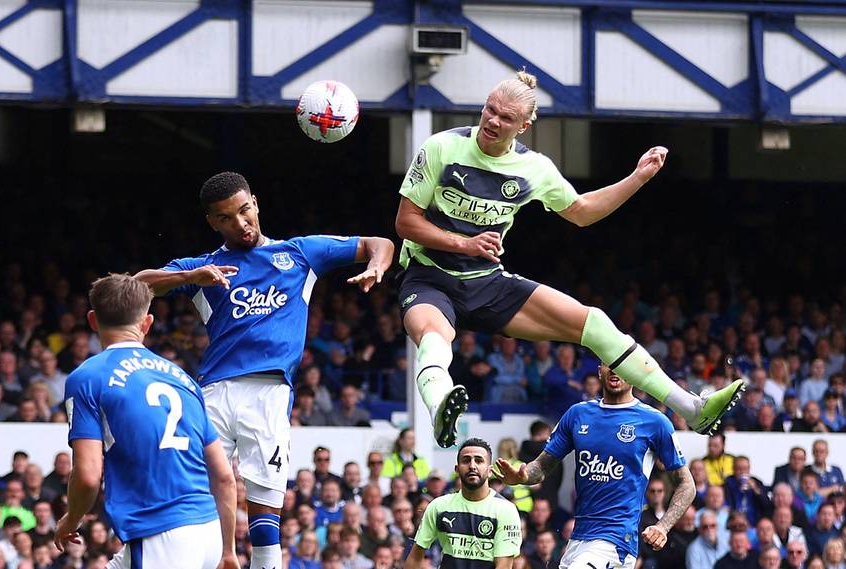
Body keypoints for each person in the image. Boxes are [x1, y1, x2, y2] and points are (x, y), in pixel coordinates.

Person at [394, 70, 744, 447]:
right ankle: (440, 411)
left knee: (594, 323)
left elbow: (581, 210)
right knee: (434, 337)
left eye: (506, 117)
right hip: (428, 275)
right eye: (489, 110)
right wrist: (465, 244)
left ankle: (692, 409)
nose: (493, 121)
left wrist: (638, 177)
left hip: (486, 282)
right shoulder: (441, 148)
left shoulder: (534, 168)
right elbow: (406, 222)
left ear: (524, 126)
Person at [135, 172, 394, 569]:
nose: (240, 224)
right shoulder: (204, 267)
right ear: (212, 223)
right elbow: (136, 285)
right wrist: (190, 277)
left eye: (244, 211)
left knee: (265, 510)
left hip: (270, 395)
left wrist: (376, 265)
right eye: (226, 218)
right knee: (192, 501)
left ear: (255, 203)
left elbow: (380, 243)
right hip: (214, 396)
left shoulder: (300, 254)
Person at [52, 274, 240, 569]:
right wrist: (228, 551)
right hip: (209, 533)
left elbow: (88, 476)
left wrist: (70, 519)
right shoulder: (184, 380)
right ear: (147, 323)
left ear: (92, 320)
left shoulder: (87, 378)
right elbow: (225, 476)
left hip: (160, 535)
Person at [496, 363, 696, 569]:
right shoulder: (577, 414)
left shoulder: (655, 422)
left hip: (616, 541)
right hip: (578, 539)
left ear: (634, 371)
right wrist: (523, 476)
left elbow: (687, 484)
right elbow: (541, 467)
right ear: (600, 370)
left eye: (622, 363)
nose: (616, 369)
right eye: (610, 362)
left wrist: (663, 526)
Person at [404, 438, 521, 569]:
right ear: (457, 469)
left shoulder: (506, 509)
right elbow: (415, 557)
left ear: (489, 470)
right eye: (466, 460)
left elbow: (503, 566)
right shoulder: (438, 506)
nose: (472, 465)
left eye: (479, 460)